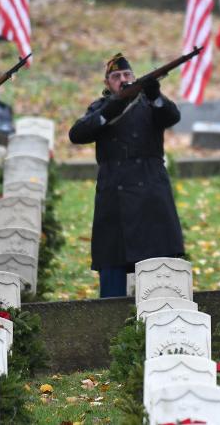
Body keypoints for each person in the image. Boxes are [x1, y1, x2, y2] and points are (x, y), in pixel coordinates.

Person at [69, 53, 185, 298]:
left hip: (150, 197)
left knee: (161, 278)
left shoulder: (149, 104)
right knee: (112, 274)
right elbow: (77, 134)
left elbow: (172, 116)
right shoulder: (101, 108)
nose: (122, 79)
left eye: (127, 75)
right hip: (115, 199)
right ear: (107, 83)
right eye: (115, 76)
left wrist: (155, 94)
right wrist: (112, 109)